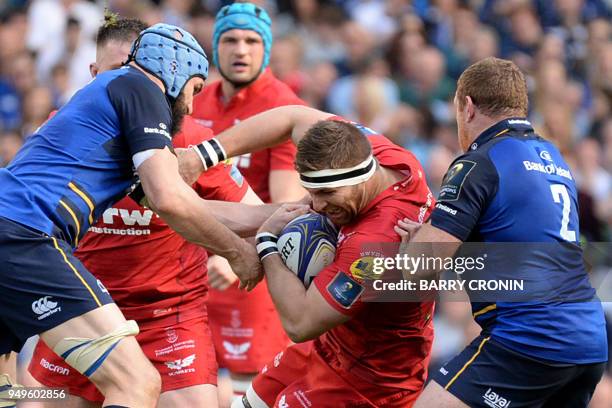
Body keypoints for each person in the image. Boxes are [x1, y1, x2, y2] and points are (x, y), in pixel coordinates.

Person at [0, 22, 276, 408]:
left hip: (16, 237)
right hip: (28, 240)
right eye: (195, 90)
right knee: (138, 384)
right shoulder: (141, 88)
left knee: (9, 392)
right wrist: (236, 252)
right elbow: (169, 199)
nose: (193, 106)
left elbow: (185, 206)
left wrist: (279, 214)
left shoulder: (101, 124)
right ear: (176, 73)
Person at [178, 105, 436, 407]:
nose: (316, 205)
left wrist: (267, 243)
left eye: (326, 193)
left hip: (369, 379)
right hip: (331, 345)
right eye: (311, 191)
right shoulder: (377, 155)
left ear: (359, 178)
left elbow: (299, 324)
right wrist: (202, 156)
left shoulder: (376, 243)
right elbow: (293, 117)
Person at [397, 57, 608, 407]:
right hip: (588, 339)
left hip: (531, 338)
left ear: (467, 107)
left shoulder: (478, 162)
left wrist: (414, 245)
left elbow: (421, 265)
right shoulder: (554, 158)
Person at [191, 3, 306, 402]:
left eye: (252, 41)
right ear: (215, 46)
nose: (241, 50)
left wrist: (231, 250)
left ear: (267, 48)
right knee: (189, 381)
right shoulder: (195, 101)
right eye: (231, 39)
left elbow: (287, 207)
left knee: (251, 386)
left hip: (249, 267)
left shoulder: (285, 108)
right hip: (188, 268)